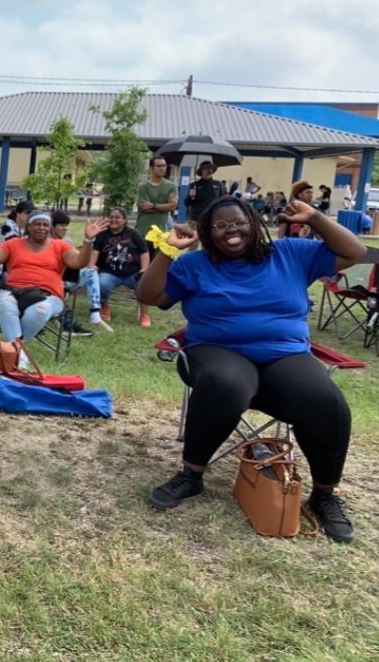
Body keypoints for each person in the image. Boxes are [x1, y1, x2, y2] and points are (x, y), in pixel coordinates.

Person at [137, 196, 366, 542]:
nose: (231, 231)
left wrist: (316, 217)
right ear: (209, 234)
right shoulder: (195, 265)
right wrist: (168, 252)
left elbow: (354, 253)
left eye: (239, 222)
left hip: (284, 355)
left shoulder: (290, 253)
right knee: (227, 382)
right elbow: (150, 295)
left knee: (325, 400)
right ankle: (191, 475)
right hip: (216, 351)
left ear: (255, 223)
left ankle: (324, 496)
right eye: (220, 226)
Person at [0, 209, 107, 341]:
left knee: (39, 311)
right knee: (6, 306)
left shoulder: (60, 246)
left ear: (50, 228)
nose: (41, 227)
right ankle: (19, 355)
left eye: (45, 225)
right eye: (37, 224)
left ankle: (14, 351)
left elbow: (79, 262)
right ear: (28, 227)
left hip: (49, 295)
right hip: (13, 291)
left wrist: (88, 241)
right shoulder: (13, 244)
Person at [90, 207, 151, 326]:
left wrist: (144, 269)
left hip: (133, 273)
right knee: (102, 283)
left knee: (146, 286)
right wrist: (92, 264)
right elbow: (95, 251)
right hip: (109, 273)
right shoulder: (102, 235)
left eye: (117, 217)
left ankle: (144, 315)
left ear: (124, 220)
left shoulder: (134, 234)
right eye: (111, 217)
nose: (113, 220)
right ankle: (105, 307)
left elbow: (144, 252)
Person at [50, 210, 104, 334]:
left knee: (91, 272)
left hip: (68, 279)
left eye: (66, 225)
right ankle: (63, 319)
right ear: (52, 226)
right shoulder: (44, 241)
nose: (65, 229)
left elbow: (76, 260)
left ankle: (95, 314)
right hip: (52, 281)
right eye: (62, 225)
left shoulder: (68, 242)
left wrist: (88, 240)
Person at [135, 156, 178, 244]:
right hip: (143, 230)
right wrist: (165, 207)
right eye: (158, 166)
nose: (162, 168)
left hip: (161, 233)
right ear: (151, 168)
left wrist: (153, 205)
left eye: (164, 165)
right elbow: (146, 209)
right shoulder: (143, 187)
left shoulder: (171, 186)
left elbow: (173, 206)